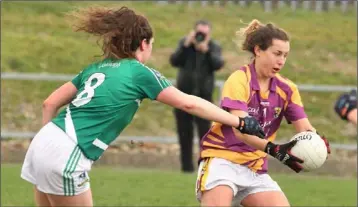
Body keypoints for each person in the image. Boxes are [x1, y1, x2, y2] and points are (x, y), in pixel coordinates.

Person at [20, 7, 265, 207]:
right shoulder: (140, 72)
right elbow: (188, 102)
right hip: (67, 152)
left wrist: (48, 146)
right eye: (152, 44)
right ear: (144, 43)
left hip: (42, 143)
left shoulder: (96, 67)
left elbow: (49, 102)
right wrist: (239, 121)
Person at [195, 19, 331, 207]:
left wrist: (316, 141)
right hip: (222, 160)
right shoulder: (239, 80)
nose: (281, 60)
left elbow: (304, 128)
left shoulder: (288, 89)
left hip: (254, 168)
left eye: (285, 55)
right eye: (277, 54)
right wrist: (274, 149)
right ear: (258, 50)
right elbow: (240, 131)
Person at [169, 20, 225, 173]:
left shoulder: (213, 47)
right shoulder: (185, 45)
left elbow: (218, 64)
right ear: (193, 32)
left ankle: (205, 169)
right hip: (183, 97)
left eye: (204, 34)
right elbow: (174, 60)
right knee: (184, 135)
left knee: (205, 137)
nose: (201, 36)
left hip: (204, 98)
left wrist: (206, 50)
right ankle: (186, 169)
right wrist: (186, 45)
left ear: (209, 34)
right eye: (199, 33)